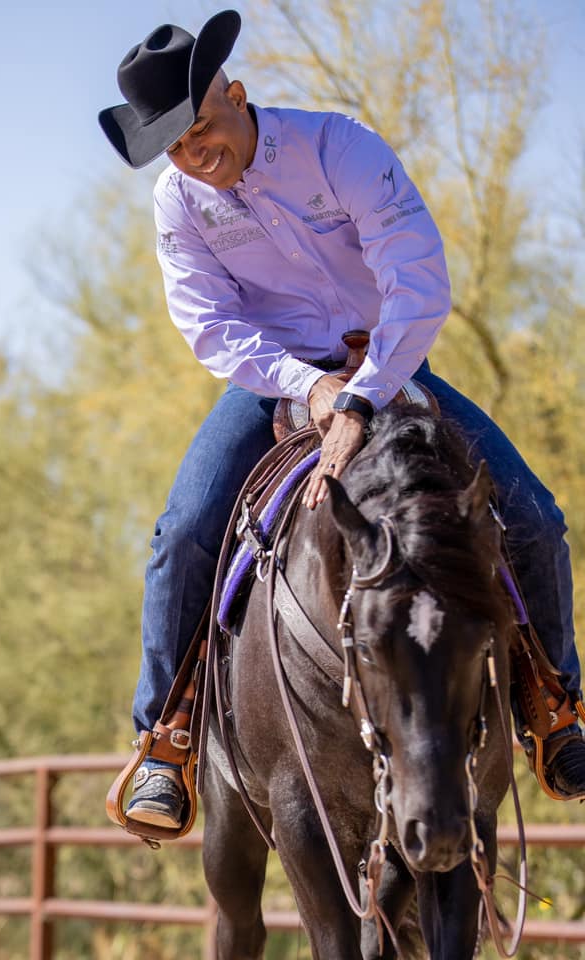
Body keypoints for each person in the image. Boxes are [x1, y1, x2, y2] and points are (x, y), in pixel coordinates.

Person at [99, 9, 585, 828]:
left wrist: (362, 392)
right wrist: (310, 388)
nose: (195, 155)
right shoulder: (177, 200)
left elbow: (418, 279)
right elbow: (211, 324)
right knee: (183, 530)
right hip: (274, 385)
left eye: (203, 129)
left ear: (238, 94)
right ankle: (167, 735)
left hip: (390, 367)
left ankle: (553, 700)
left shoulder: (340, 149)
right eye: (176, 146)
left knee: (534, 519)